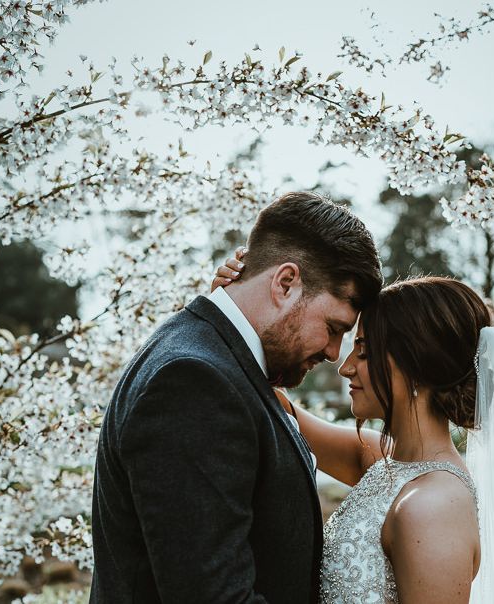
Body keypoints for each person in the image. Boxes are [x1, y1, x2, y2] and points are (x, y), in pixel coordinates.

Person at [89, 191, 383, 603]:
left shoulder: (219, 365)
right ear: (285, 283)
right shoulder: (193, 382)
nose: (335, 353)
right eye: (334, 327)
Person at [215, 260, 494, 603]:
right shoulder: (385, 461)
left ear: (416, 364)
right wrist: (236, 309)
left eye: (363, 351)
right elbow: (279, 407)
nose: (345, 368)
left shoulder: (432, 507)